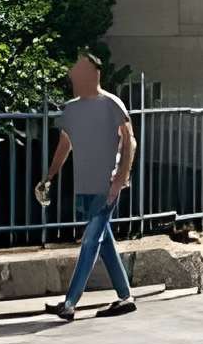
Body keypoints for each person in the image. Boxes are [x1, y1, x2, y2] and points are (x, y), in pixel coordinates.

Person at [35, 50, 139, 321]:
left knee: (91, 240)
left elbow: (130, 141)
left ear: (94, 75)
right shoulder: (72, 108)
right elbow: (64, 144)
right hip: (85, 184)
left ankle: (69, 303)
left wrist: (120, 179)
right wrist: (49, 176)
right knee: (103, 240)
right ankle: (125, 297)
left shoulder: (112, 103)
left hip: (108, 185)